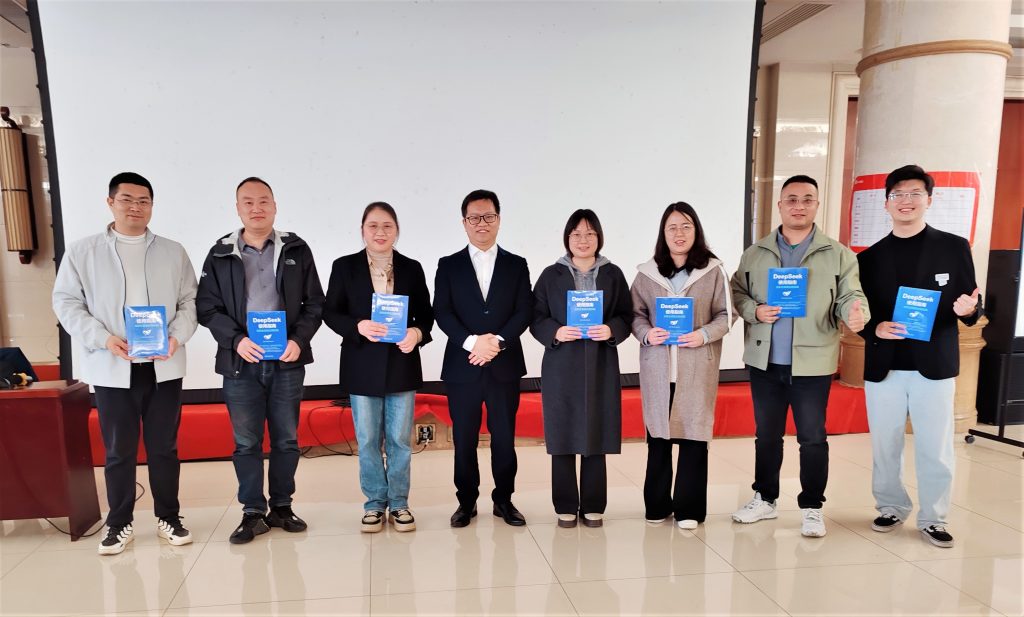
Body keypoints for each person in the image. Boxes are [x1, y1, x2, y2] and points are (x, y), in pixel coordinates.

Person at [52, 172, 198, 555]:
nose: (136, 207)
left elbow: (189, 302)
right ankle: (119, 523)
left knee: (164, 447)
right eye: (127, 199)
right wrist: (103, 338)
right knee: (119, 451)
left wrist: (175, 337)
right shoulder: (83, 252)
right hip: (112, 365)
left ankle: (169, 517)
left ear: (152, 205)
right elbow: (66, 302)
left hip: (163, 365)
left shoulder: (173, 251)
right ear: (110, 202)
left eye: (144, 200)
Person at [730, 174, 868, 537]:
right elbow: (738, 291)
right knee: (767, 435)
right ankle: (765, 498)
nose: (799, 206)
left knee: (812, 437)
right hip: (765, 360)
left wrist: (856, 313)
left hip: (813, 362)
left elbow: (850, 296)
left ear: (816, 205)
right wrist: (754, 311)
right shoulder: (756, 252)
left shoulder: (837, 254)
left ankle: (811, 506)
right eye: (791, 199)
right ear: (780, 205)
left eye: (807, 199)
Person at [857, 165, 982, 548]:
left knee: (935, 445)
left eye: (914, 194)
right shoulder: (869, 258)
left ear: (929, 199)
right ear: (886, 203)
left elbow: (971, 304)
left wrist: (969, 312)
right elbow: (858, 312)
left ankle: (934, 518)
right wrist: (873, 329)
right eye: (898, 195)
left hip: (934, 366)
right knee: (885, 445)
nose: (906, 201)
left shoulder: (954, 247)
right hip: (885, 365)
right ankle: (891, 506)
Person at [196, 177, 324, 544]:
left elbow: (315, 303)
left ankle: (282, 506)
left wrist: (299, 340)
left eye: (264, 201)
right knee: (246, 442)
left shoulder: (296, 248)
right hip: (241, 363)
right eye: (248, 202)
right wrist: (236, 340)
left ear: (275, 206)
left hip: (286, 361)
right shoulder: (220, 253)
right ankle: (252, 511)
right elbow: (206, 307)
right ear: (238, 209)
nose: (257, 208)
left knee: (286, 439)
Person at [323, 202, 434, 533]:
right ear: (362, 230)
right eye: (373, 226)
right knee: (368, 439)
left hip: (401, 361)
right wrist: (357, 326)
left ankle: (399, 502)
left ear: (397, 230)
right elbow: (330, 312)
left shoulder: (412, 268)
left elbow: (427, 315)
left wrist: (416, 334)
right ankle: (374, 503)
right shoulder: (344, 267)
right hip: (361, 363)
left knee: (399, 439)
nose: (380, 232)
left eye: (387, 226)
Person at [630, 202, 733, 530]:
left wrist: (703, 335)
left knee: (693, 437)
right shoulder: (647, 273)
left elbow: (726, 314)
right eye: (672, 227)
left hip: (696, 366)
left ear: (696, 231)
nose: (679, 233)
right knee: (658, 437)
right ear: (663, 233)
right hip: (658, 367)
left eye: (686, 226)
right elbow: (635, 314)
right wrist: (647, 334)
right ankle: (657, 505)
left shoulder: (713, 271)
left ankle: (689, 508)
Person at [434, 189, 533, 527]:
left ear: (498, 220)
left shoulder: (516, 264)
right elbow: (442, 311)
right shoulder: (448, 265)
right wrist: (472, 342)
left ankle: (504, 500)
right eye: (474, 217)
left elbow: (524, 310)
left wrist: (498, 343)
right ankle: (466, 502)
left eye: (488, 216)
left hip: (504, 365)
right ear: (464, 222)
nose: (482, 223)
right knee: (464, 439)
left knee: (504, 438)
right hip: (463, 366)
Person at [530, 209, 632, 528]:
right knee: (562, 434)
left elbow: (627, 315)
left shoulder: (613, 274)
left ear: (599, 237)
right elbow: (536, 317)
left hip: (601, 363)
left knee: (596, 432)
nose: (583, 240)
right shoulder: (551, 275)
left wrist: (612, 329)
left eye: (590, 233)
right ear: (567, 238)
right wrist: (555, 332)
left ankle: (593, 505)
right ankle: (564, 504)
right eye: (576, 234)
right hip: (562, 364)